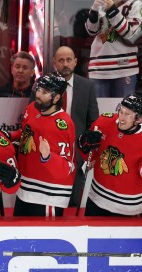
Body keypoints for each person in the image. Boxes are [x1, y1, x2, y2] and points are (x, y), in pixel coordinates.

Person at [77, 94, 142, 216]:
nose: (121, 117)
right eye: (121, 111)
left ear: (139, 119)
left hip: (128, 209)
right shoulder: (104, 122)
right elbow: (91, 160)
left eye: (127, 114)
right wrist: (82, 145)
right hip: (96, 200)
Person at [13, 72, 76, 216]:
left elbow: (67, 166)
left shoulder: (63, 125)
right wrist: (9, 137)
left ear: (57, 97)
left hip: (48, 195)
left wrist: (48, 157)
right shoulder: (32, 108)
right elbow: (25, 133)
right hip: (24, 188)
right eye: (39, 90)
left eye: (45, 92)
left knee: (43, 238)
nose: (38, 95)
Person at [50, 46, 99, 207]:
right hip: (49, 150)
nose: (65, 64)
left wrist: (91, 151)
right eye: (61, 60)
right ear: (54, 63)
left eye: (69, 60)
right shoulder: (43, 84)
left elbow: (93, 122)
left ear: (75, 62)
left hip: (77, 151)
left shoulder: (87, 86)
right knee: (51, 201)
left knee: (73, 203)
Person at [85, 0, 142, 97]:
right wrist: (94, 9)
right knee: (99, 110)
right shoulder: (101, 3)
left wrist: (112, 9)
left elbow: (131, 34)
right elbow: (91, 31)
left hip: (125, 68)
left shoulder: (135, 3)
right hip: (98, 68)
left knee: (124, 109)